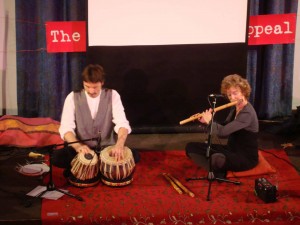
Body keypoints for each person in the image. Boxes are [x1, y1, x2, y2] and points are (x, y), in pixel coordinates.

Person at [52, 64, 139, 180]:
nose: (91, 91)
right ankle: (97, 169)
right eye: (87, 86)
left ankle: (90, 169)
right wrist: (78, 146)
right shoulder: (72, 97)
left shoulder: (113, 95)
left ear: (102, 83)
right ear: (83, 82)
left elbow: (122, 123)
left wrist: (119, 144)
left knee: (135, 155)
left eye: (95, 87)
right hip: (82, 150)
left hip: (106, 148)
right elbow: (66, 128)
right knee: (56, 157)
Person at [185, 74, 259, 178]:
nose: (232, 98)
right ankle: (216, 170)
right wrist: (207, 121)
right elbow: (224, 127)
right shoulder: (235, 108)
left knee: (216, 158)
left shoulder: (247, 113)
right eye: (229, 95)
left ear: (243, 92)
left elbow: (222, 133)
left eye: (235, 93)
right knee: (191, 147)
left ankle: (216, 170)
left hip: (245, 157)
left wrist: (211, 121)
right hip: (231, 149)